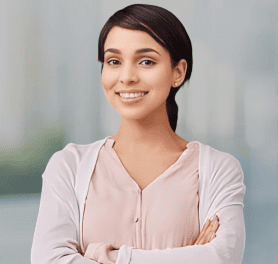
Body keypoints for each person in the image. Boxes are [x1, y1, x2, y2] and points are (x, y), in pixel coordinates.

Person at [31, 4, 246, 264]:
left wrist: (103, 256)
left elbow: (221, 258)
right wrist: (186, 255)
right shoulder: (69, 166)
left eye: (146, 61)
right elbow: (48, 260)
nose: (127, 77)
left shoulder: (218, 170)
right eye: (114, 61)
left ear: (178, 72)